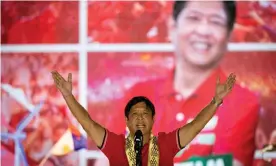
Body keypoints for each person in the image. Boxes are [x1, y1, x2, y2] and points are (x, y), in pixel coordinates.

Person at [106, 1, 260, 166]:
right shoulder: (138, 95)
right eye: (194, 18)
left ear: (229, 34)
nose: (203, 30)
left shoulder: (242, 103)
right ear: (172, 26)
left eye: (216, 21)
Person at [51, 70, 236, 165]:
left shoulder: (166, 144)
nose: (140, 119)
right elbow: (88, 125)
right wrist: (68, 96)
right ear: (126, 121)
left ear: (153, 120)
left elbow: (196, 126)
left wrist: (216, 101)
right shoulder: (115, 146)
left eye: (145, 114)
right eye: (135, 115)